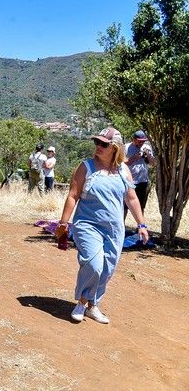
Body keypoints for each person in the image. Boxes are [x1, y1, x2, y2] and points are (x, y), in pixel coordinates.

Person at [56, 127, 149, 324]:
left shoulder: (124, 170)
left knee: (107, 269)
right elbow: (73, 195)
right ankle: (81, 302)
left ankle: (93, 305)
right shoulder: (86, 167)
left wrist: (142, 224)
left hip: (114, 229)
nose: (98, 146)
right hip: (87, 224)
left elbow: (131, 198)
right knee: (94, 264)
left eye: (104, 144)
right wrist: (63, 223)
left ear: (115, 147)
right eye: (97, 142)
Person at [124, 130, 156, 215]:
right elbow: (121, 164)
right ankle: (121, 227)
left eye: (143, 141)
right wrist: (133, 158)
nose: (141, 143)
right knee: (124, 207)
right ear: (134, 139)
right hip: (128, 181)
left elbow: (153, 164)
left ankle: (140, 227)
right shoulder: (126, 147)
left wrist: (148, 155)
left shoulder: (147, 147)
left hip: (142, 181)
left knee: (141, 207)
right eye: (139, 141)